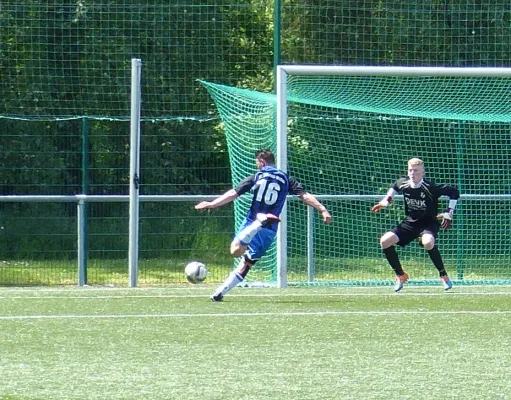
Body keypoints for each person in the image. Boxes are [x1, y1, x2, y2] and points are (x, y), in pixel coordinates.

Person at [195, 148, 332, 301]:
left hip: (252, 220)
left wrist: (212, 204)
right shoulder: (287, 179)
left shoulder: (257, 176)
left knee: (235, 251)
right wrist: (323, 210)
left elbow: (234, 193)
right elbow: (304, 196)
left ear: (261, 161)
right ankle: (219, 293)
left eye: (257, 163)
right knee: (247, 263)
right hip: (270, 227)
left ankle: (255, 226)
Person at [371, 157, 460, 292]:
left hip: (428, 223)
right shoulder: (404, 184)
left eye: (416, 171)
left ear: (423, 172)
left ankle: (443, 275)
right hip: (410, 223)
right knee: (384, 241)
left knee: (428, 242)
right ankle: (400, 275)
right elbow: (395, 187)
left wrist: (449, 212)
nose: (413, 173)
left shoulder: (430, 188)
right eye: (410, 170)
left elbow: (454, 192)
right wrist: (385, 202)